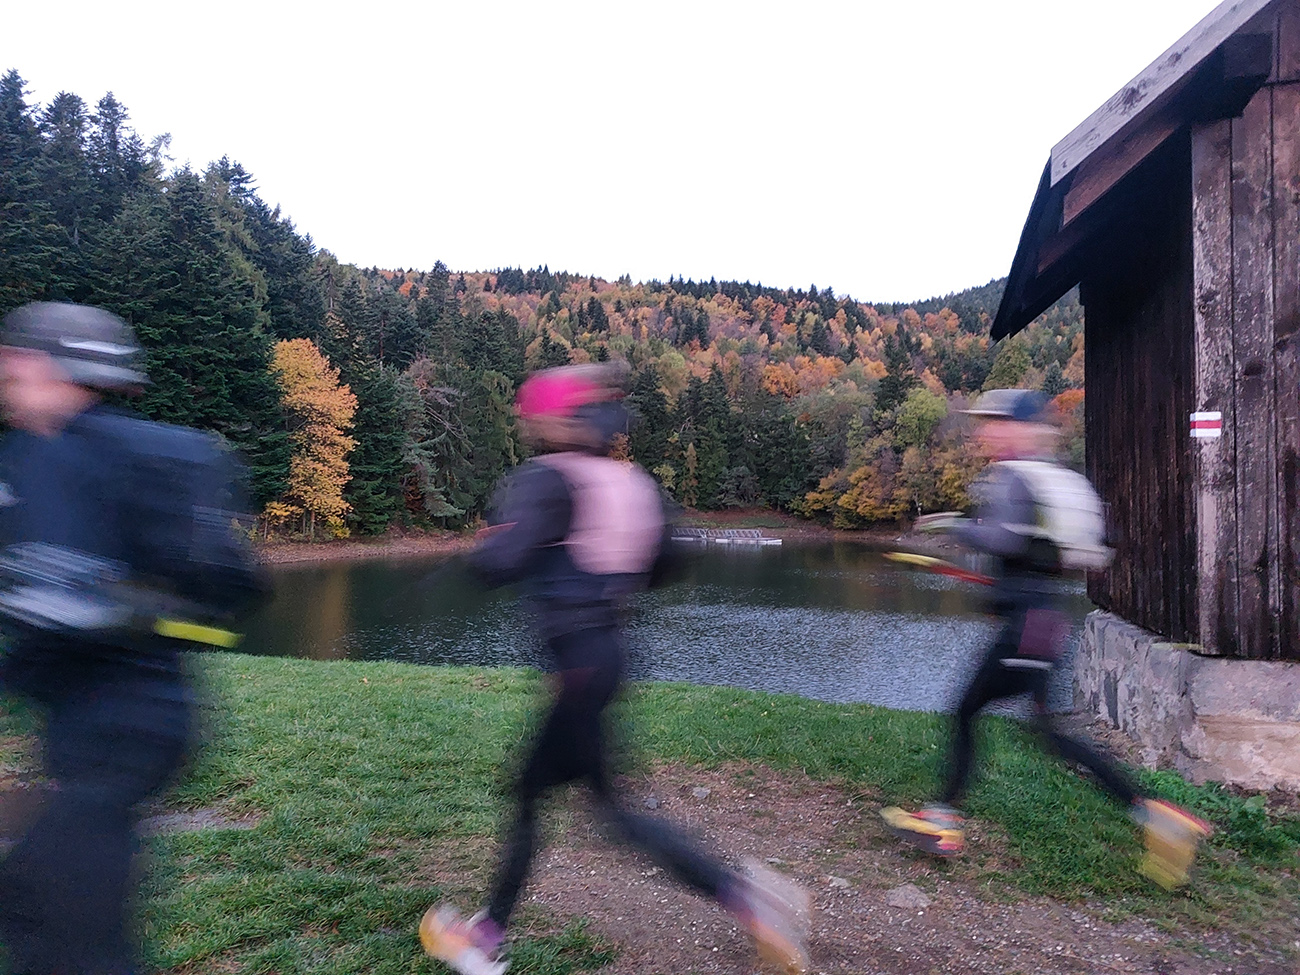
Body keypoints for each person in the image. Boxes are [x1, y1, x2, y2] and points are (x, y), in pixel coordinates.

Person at [418, 363, 810, 975]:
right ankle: (748, 898)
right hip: (609, 656)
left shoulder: (547, 478)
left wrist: (488, 546)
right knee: (592, 804)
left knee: (575, 805)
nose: (531, 429)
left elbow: (500, 564)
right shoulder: (635, 483)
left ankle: (487, 938)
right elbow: (670, 562)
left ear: (556, 421)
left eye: (535, 419)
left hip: (577, 664)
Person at [0, 302, 267, 975]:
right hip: (79, 727)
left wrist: (126, 605)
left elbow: (234, 587)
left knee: (68, 933)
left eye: (17, 360)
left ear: (59, 367)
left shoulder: (140, 455)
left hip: (134, 724)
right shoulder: (25, 461)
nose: (6, 373)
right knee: (33, 903)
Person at [880, 388, 1210, 889]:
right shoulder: (1057, 483)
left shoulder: (1013, 477)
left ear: (1023, 428)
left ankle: (944, 819)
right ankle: (1159, 816)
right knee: (1049, 735)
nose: (986, 431)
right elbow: (1080, 550)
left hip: (1025, 629)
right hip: (1045, 623)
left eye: (996, 422)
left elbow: (1002, 539)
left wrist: (955, 526)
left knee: (965, 712)